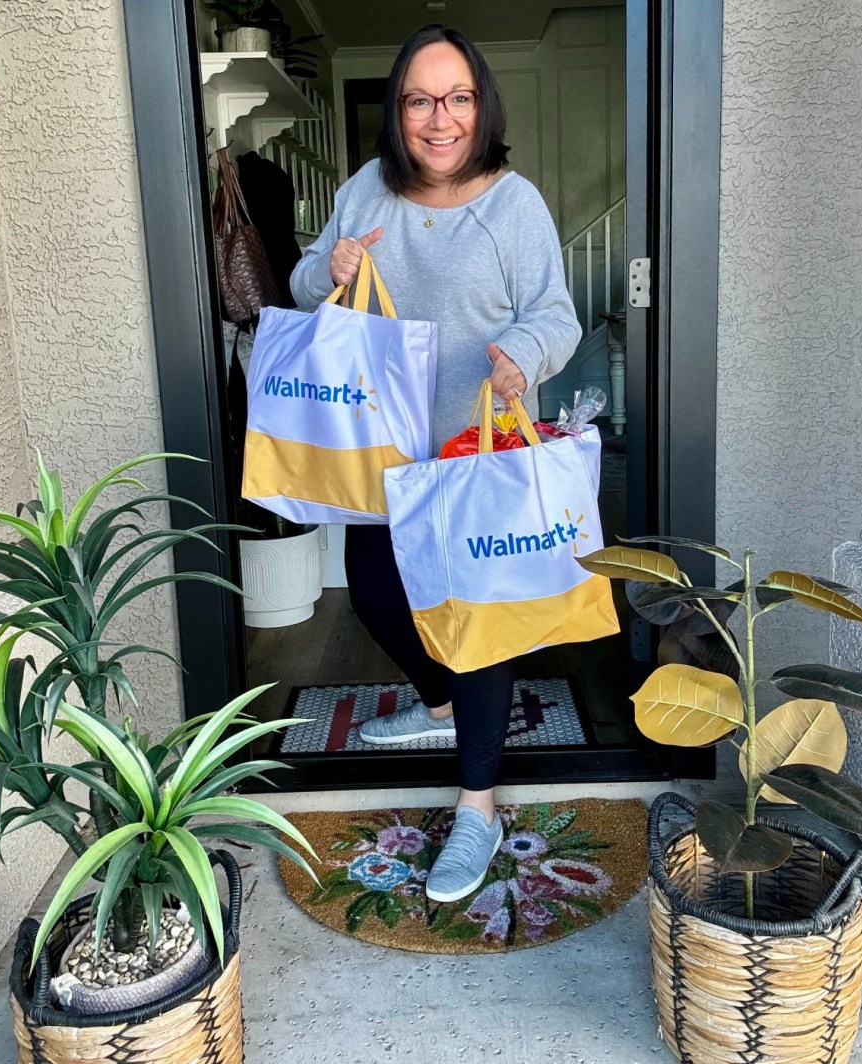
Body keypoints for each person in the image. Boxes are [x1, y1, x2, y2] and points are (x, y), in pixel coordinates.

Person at [290, 24, 581, 903]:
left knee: (475, 628)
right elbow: (306, 282)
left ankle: (478, 807)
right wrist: (328, 267)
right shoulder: (366, 193)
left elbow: (557, 313)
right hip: (381, 451)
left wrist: (520, 355)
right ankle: (442, 701)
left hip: (475, 453)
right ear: (400, 112)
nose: (439, 117)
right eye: (420, 99)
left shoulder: (514, 204)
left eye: (456, 98)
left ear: (480, 105)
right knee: (377, 594)